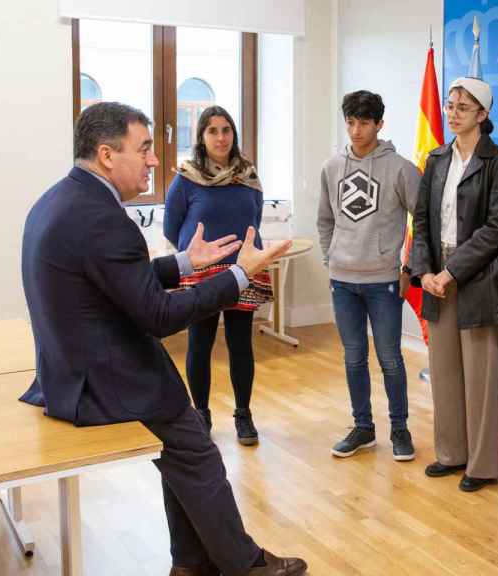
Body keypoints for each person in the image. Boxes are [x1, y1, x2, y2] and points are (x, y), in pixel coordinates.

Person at [19, 102, 305, 576]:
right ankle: (244, 565)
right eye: (145, 148)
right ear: (108, 155)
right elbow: (158, 315)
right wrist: (238, 275)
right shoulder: (104, 218)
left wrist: (187, 263)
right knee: (196, 448)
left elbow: (112, 279)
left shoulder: (60, 199)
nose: (155, 160)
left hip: (67, 370)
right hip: (103, 379)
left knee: (183, 450)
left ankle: (191, 564)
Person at [410, 77, 498, 492]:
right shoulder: (436, 158)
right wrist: (426, 273)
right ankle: (451, 454)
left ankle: (483, 465)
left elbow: (496, 229)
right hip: (436, 274)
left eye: (462, 107)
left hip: (478, 277)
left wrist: (452, 273)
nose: (452, 113)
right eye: (449, 105)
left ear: (483, 115)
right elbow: (420, 221)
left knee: (481, 376)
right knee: (444, 370)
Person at [317, 90, 420, 460]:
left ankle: (400, 428)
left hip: (383, 281)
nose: (356, 130)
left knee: (390, 357)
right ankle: (363, 427)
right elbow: (325, 219)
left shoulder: (401, 169)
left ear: (379, 123)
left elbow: (421, 220)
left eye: (364, 122)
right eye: (350, 122)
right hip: (342, 281)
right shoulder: (332, 167)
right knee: (353, 357)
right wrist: (331, 257)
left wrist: (410, 267)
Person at [165, 105, 263, 445]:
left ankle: (243, 415)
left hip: (243, 269)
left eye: (226, 130)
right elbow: (171, 226)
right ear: (201, 137)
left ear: (233, 134)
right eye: (212, 131)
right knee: (200, 343)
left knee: (241, 346)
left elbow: (256, 218)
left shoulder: (248, 175)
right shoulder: (186, 177)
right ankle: (201, 414)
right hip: (201, 274)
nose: (221, 137)